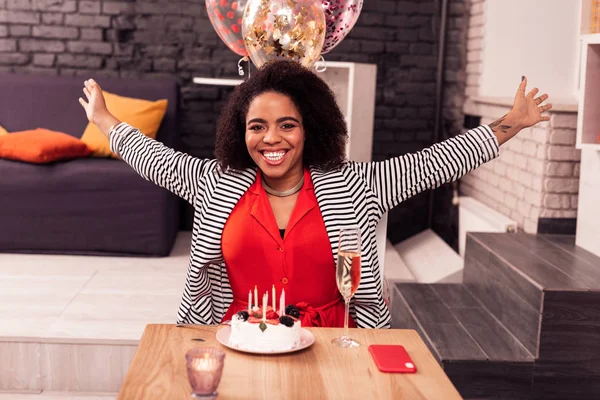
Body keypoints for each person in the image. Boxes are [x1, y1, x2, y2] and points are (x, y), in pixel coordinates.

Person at [79, 60, 551, 328]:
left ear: (310, 129)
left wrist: (511, 123)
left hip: (333, 342)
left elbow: (436, 162)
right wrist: (105, 121)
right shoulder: (216, 183)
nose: (272, 139)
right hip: (239, 338)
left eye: (287, 125)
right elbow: (155, 158)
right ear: (239, 133)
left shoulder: (357, 185)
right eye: (257, 127)